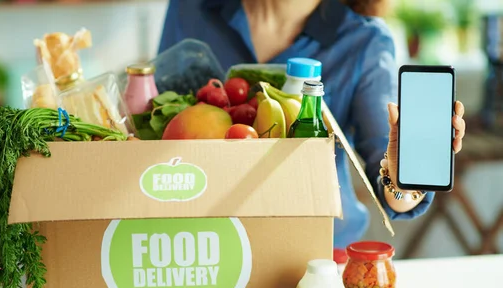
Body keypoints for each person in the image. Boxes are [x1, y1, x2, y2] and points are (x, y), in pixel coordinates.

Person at [158, 0, 467, 249]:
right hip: (206, 244)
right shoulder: (190, 10)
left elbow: (390, 179)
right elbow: (159, 126)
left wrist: (404, 178)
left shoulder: (364, 41)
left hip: (319, 254)